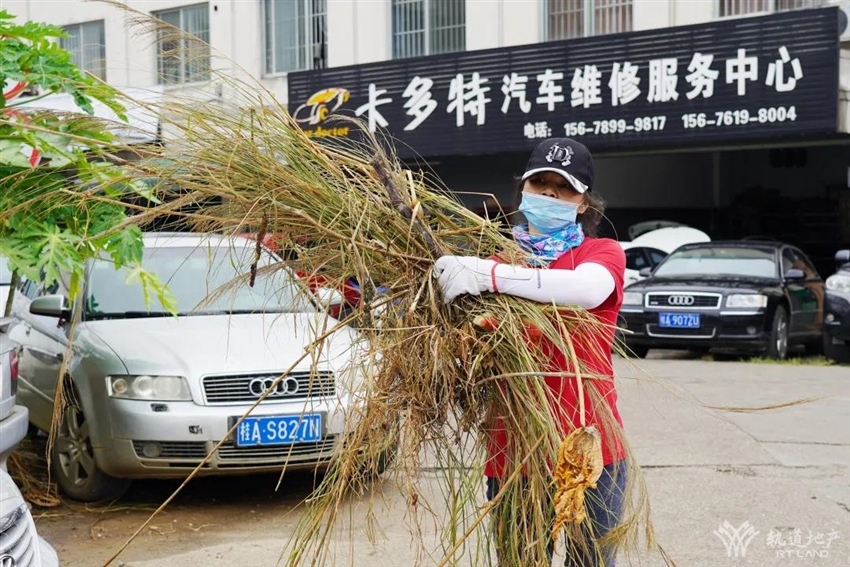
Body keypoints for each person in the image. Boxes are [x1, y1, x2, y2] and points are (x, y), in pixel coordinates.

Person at [432, 138, 628, 566]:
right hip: (515, 452)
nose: (550, 194)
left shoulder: (599, 253)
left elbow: (587, 289)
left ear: (583, 203)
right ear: (523, 190)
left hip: (592, 448)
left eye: (565, 188)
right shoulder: (494, 260)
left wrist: (489, 276)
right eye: (540, 184)